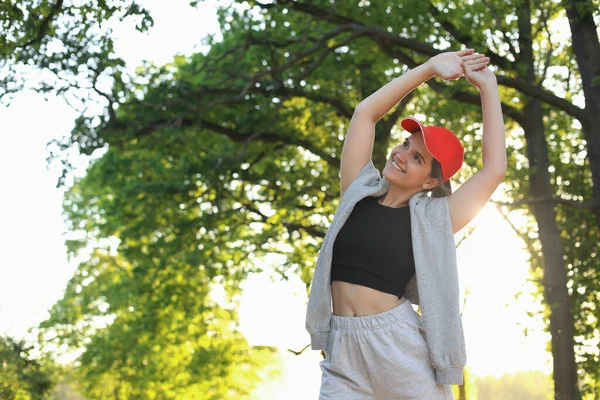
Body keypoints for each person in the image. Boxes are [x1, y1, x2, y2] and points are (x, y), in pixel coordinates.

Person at [305, 48, 507, 399]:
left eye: (417, 159)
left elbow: (494, 170)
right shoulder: (358, 190)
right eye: (405, 144)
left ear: (430, 182)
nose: (401, 155)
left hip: (398, 351)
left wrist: (488, 89)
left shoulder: (433, 219)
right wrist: (428, 69)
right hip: (343, 351)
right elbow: (365, 114)